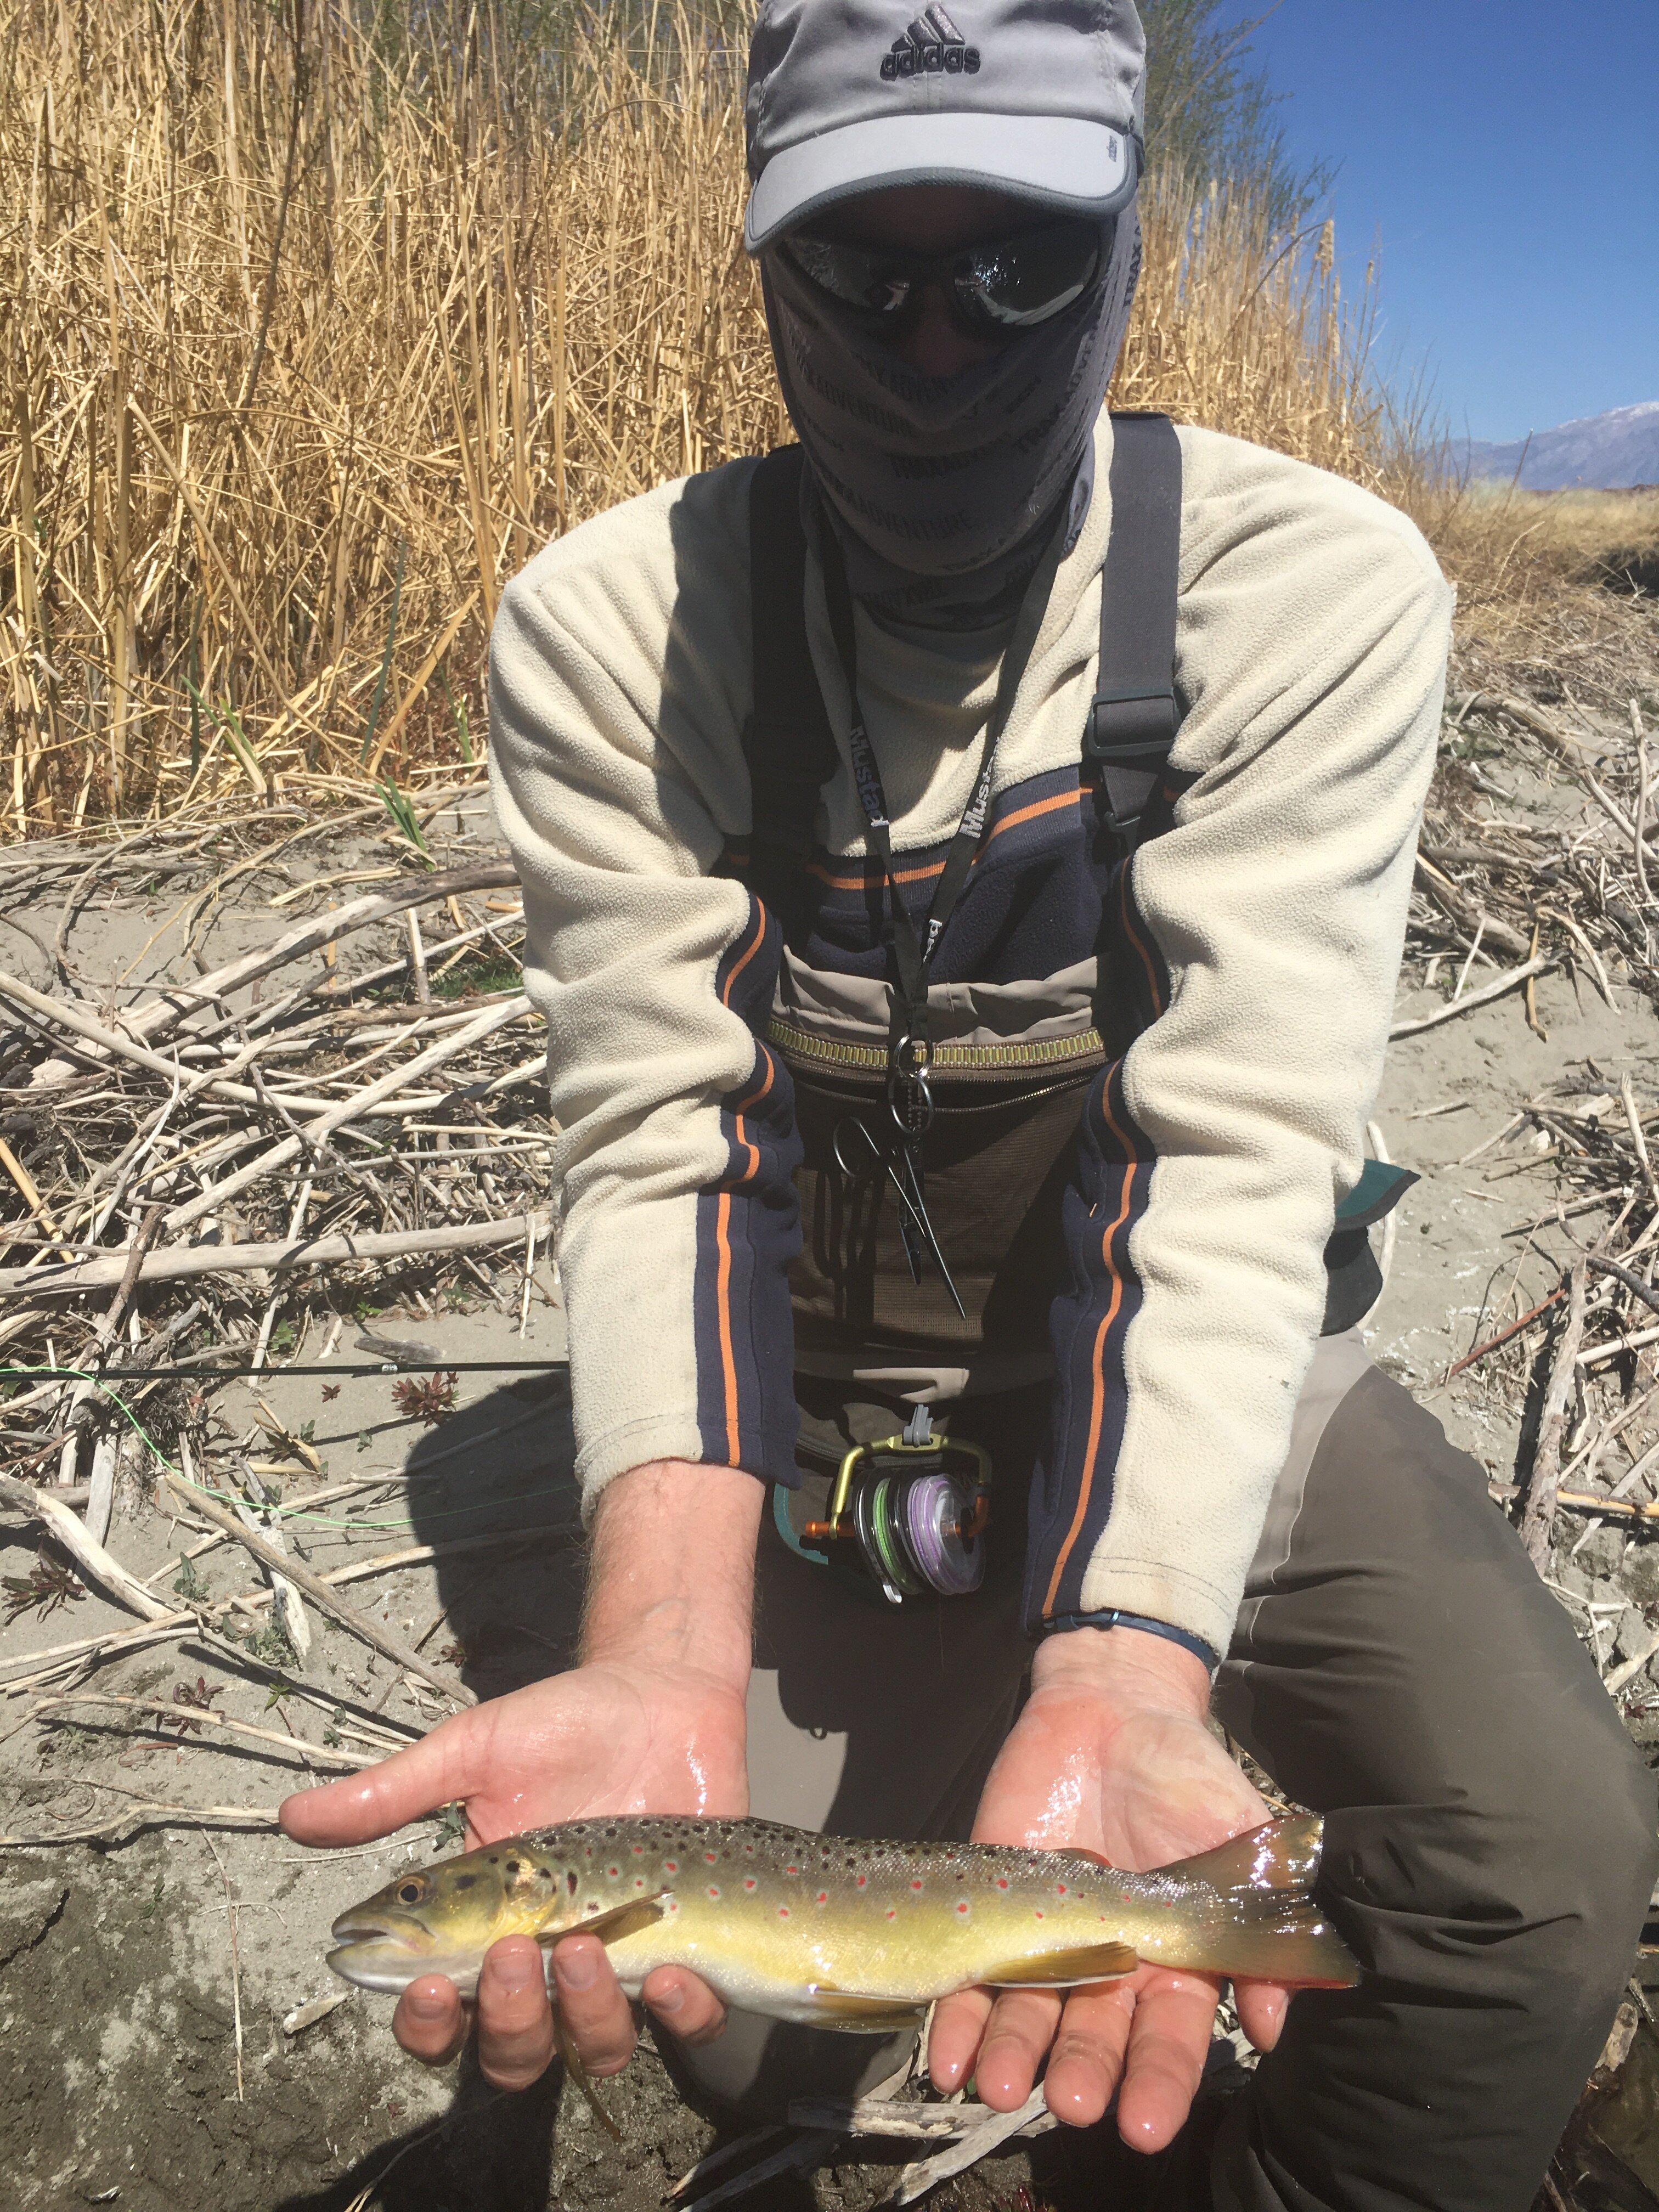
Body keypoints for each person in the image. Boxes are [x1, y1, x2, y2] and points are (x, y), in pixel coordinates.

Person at [281, 2, 1658, 2204]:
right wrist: (657, 1654)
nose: (942, 349)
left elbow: (1229, 1169)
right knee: (736, 2026)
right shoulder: (609, 627)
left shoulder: (1306, 590)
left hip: (1211, 1339)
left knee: (1544, 1858)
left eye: (1019, 264)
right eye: (867, 274)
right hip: (824, 1391)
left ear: (1125, 255)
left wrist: (1121, 1666)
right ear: (764, 278)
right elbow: (668, 1150)